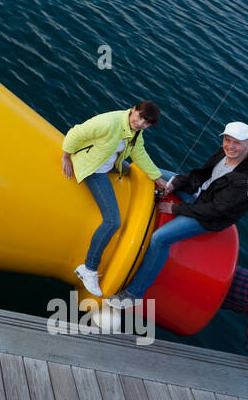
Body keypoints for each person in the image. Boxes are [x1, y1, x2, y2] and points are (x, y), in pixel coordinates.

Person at [108, 120, 248, 308]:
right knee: (155, 173)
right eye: (227, 140)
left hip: (210, 217)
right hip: (201, 194)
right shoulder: (223, 153)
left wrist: (176, 209)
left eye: (237, 143)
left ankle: (134, 294)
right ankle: (117, 167)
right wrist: (177, 183)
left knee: (159, 238)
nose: (230, 146)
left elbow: (216, 209)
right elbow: (201, 175)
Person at [61, 101, 172, 297]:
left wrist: (156, 177)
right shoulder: (109, 122)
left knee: (129, 170)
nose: (140, 124)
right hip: (94, 169)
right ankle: (88, 268)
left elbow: (139, 154)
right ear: (134, 109)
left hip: (108, 162)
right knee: (113, 222)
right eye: (140, 118)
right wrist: (66, 156)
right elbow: (77, 132)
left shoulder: (134, 131)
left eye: (146, 123)